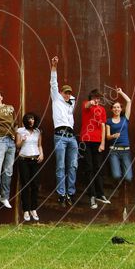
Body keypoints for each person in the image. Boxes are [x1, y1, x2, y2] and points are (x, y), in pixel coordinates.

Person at [49, 56, 78, 206]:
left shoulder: (70, 102)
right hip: (60, 135)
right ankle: (61, 193)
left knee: (73, 166)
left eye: (69, 93)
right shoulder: (56, 99)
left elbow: (72, 98)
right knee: (60, 166)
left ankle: (70, 193)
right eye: (65, 92)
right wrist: (54, 67)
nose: (67, 95)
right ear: (61, 92)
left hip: (71, 136)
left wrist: (70, 99)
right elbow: (53, 83)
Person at [80, 88, 109, 209]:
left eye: (98, 98)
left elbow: (103, 126)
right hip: (86, 140)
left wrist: (103, 143)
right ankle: (91, 195)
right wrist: (90, 103)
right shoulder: (86, 105)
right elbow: (86, 106)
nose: (97, 100)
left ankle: (100, 194)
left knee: (98, 167)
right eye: (95, 98)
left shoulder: (102, 109)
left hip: (97, 141)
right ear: (91, 98)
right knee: (88, 168)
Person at [105, 87, 133, 196]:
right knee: (116, 175)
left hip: (126, 151)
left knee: (129, 177)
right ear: (112, 109)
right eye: (114, 107)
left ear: (121, 109)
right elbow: (107, 137)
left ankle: (123, 187)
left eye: (118, 107)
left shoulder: (125, 119)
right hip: (114, 152)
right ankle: (119, 187)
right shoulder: (108, 121)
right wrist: (113, 136)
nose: (116, 109)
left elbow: (129, 101)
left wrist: (121, 92)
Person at [16, 113, 44, 222]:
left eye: (32, 118)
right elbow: (17, 145)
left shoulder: (38, 131)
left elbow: (39, 145)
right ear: (25, 121)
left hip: (35, 159)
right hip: (24, 160)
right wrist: (22, 139)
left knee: (35, 185)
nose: (31, 121)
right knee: (25, 185)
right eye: (29, 119)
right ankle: (26, 210)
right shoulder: (20, 131)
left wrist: (41, 154)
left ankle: (33, 209)